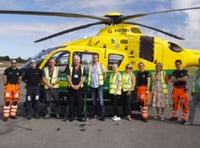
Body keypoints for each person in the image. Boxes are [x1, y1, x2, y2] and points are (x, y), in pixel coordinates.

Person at [66, 55, 86, 121]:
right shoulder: (70, 67)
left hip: (79, 88)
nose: (76, 61)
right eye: (74, 60)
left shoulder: (83, 67)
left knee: (80, 102)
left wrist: (78, 85)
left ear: (79, 60)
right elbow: (68, 76)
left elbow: (83, 78)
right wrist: (72, 85)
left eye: (77, 60)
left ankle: (79, 116)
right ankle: (72, 116)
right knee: (71, 102)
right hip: (71, 88)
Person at [87, 54, 107, 121]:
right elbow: (90, 75)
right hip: (92, 85)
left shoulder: (101, 65)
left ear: (98, 58)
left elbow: (105, 74)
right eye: (93, 57)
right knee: (94, 101)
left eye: (96, 57)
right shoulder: (90, 66)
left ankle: (102, 115)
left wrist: (102, 82)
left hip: (99, 85)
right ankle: (95, 114)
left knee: (101, 101)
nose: (94, 59)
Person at [171, 59, 189, 124]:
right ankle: (174, 117)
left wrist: (177, 79)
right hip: (175, 89)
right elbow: (172, 80)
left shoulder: (185, 71)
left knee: (184, 103)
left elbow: (185, 78)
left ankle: (184, 119)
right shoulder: (174, 71)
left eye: (178, 64)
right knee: (175, 103)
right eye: (176, 64)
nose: (177, 65)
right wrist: (180, 79)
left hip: (182, 89)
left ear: (181, 64)